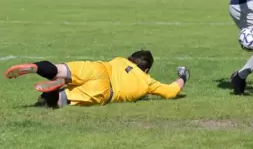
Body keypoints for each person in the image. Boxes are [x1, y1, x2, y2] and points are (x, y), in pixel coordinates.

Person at [4, 50, 190, 108]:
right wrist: (183, 76)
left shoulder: (119, 60)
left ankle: (37, 67)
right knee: (65, 99)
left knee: (59, 69)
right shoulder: (147, 81)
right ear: (146, 69)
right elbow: (171, 91)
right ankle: (52, 96)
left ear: (130, 58)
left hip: (99, 68)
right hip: (105, 90)